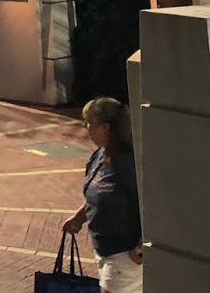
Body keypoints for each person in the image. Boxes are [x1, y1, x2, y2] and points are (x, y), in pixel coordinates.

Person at [64, 96, 143, 291]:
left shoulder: (127, 164)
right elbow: (96, 193)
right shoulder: (100, 155)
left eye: (89, 122)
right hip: (103, 250)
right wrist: (79, 217)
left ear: (105, 127)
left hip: (125, 256)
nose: (85, 127)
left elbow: (151, 207)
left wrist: (140, 249)